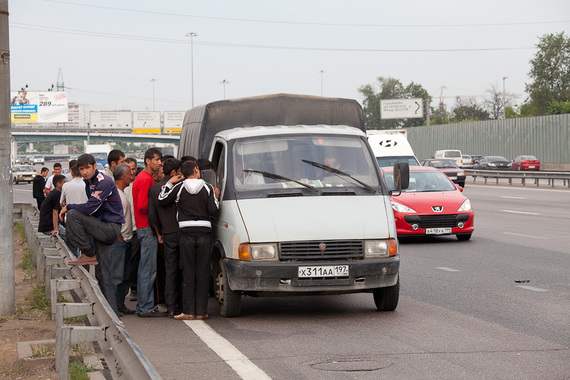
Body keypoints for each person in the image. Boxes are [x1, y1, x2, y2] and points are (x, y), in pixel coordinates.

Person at [59, 154, 125, 316]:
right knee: (103, 274)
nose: (84, 171)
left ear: (95, 166)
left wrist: (68, 207)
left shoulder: (103, 182)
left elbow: (89, 209)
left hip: (110, 228)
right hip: (101, 227)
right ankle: (112, 314)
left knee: (73, 214)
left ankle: (88, 253)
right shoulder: (88, 183)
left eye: (87, 168)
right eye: (81, 169)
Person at [159, 161, 220, 320]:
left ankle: (188, 311)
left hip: (185, 233)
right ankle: (201, 311)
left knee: (188, 271)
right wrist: (216, 196)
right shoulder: (207, 187)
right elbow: (214, 209)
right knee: (202, 271)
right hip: (204, 233)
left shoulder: (179, 187)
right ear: (196, 170)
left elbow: (162, 199)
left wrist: (168, 184)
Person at [132, 147, 165, 318]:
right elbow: (143, 206)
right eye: (157, 160)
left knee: (146, 268)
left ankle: (144, 305)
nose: (159, 163)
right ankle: (145, 307)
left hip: (144, 227)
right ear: (148, 161)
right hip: (146, 227)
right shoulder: (145, 179)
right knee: (148, 269)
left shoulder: (145, 178)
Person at [149, 158, 182, 318]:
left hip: (167, 233)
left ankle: (171, 306)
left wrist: (158, 233)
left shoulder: (155, 189)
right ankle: (183, 304)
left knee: (170, 269)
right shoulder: (181, 185)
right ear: (175, 172)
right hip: (183, 231)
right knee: (184, 268)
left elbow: (152, 215)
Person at [109, 164, 135, 317]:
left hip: (125, 240)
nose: (131, 176)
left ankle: (120, 305)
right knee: (116, 276)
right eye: (129, 174)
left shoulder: (121, 193)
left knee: (124, 276)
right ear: (123, 177)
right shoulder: (116, 195)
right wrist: (118, 235)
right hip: (119, 241)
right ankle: (113, 308)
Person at [124, 157, 140, 301]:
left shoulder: (139, 183)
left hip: (136, 228)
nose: (132, 172)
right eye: (129, 169)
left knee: (135, 260)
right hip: (123, 230)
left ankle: (134, 287)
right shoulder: (120, 186)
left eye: (134, 168)